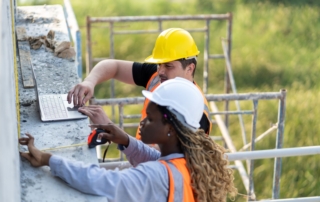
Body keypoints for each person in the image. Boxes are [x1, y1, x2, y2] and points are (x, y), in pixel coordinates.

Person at [20, 78, 237, 202]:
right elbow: (154, 159)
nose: (142, 122)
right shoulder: (189, 163)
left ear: (170, 128)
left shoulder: (157, 176)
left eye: (149, 119)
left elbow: (106, 182)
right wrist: (125, 140)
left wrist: (50, 160)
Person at [67, 28, 212, 139]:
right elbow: (114, 67)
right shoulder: (157, 76)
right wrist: (89, 82)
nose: (160, 71)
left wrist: (114, 131)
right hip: (141, 166)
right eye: (158, 64)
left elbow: (163, 158)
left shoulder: (197, 114)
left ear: (190, 68)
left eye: (168, 66)